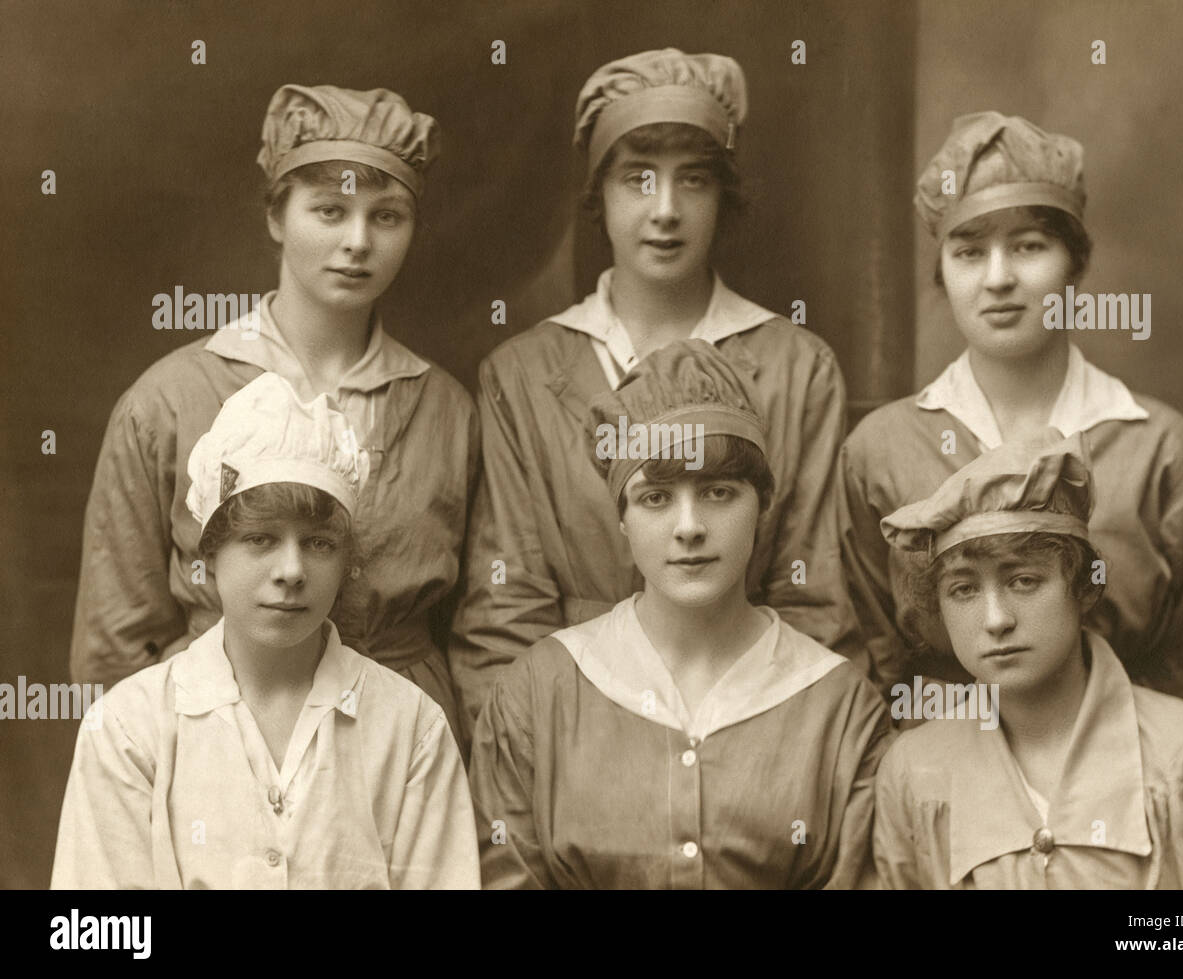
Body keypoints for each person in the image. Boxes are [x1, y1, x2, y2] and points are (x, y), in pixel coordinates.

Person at [451, 48, 858, 735]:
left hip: (752, 727)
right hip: (572, 732)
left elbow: (811, 601)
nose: (666, 209)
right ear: (599, 194)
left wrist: (754, 758)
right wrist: (548, 760)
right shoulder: (521, 374)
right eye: (637, 178)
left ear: (723, 196)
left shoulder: (798, 368)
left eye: (693, 180)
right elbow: (505, 611)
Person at [70, 84, 478, 748]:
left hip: (396, 748)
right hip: (214, 740)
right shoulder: (166, 401)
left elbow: (483, 626)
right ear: (276, 216)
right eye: (329, 210)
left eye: (387, 216)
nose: (358, 241)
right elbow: (116, 642)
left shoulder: (448, 412)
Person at [839, 111, 1183, 706]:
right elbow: (874, 667)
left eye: (1028, 246)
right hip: (941, 756)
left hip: (1130, 753)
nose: (998, 278)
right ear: (942, 271)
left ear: (1075, 264)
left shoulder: (1160, 446)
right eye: (970, 251)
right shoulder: (879, 449)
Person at [469, 341, 892, 889]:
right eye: (656, 498)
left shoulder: (841, 708)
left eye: (718, 492)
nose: (689, 527)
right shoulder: (536, 695)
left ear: (763, 504)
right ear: (621, 517)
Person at [52, 373, 479, 889]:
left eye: (319, 543)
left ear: (347, 560)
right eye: (260, 539)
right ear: (211, 554)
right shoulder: (129, 728)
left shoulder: (410, 729)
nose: (291, 570)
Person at [869, 431, 1183, 889]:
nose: (996, 620)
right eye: (964, 589)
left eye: (1024, 581)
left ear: (1084, 588)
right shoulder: (912, 771)